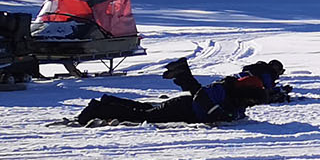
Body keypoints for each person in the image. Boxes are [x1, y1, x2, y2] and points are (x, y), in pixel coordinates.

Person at [68, 58, 289, 126]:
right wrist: (221, 115)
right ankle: (97, 109)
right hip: (184, 109)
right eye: (253, 101)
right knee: (143, 115)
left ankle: (105, 101)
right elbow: (208, 105)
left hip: (185, 105)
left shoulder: (233, 88)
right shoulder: (230, 97)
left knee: (145, 108)